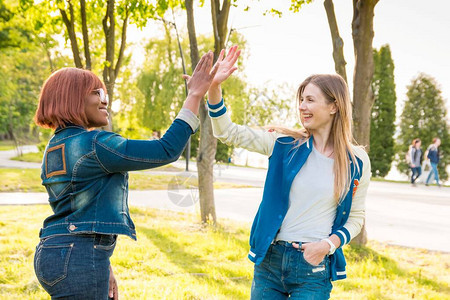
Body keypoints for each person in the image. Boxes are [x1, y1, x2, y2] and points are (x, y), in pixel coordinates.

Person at [33, 51, 218, 299]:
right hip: (78, 256)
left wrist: (101, 263)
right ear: (71, 98)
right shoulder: (94, 144)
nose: (104, 100)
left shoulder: (54, 147)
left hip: (54, 251)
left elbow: (74, 208)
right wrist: (195, 95)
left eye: (104, 93)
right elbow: (166, 149)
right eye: (95, 93)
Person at [207, 46, 371, 299]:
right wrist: (214, 88)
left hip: (312, 267)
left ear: (334, 106)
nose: (302, 107)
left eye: (310, 100)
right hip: (270, 263)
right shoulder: (283, 145)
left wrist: (327, 246)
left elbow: (356, 218)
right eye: (301, 100)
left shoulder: (356, 161)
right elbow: (227, 131)